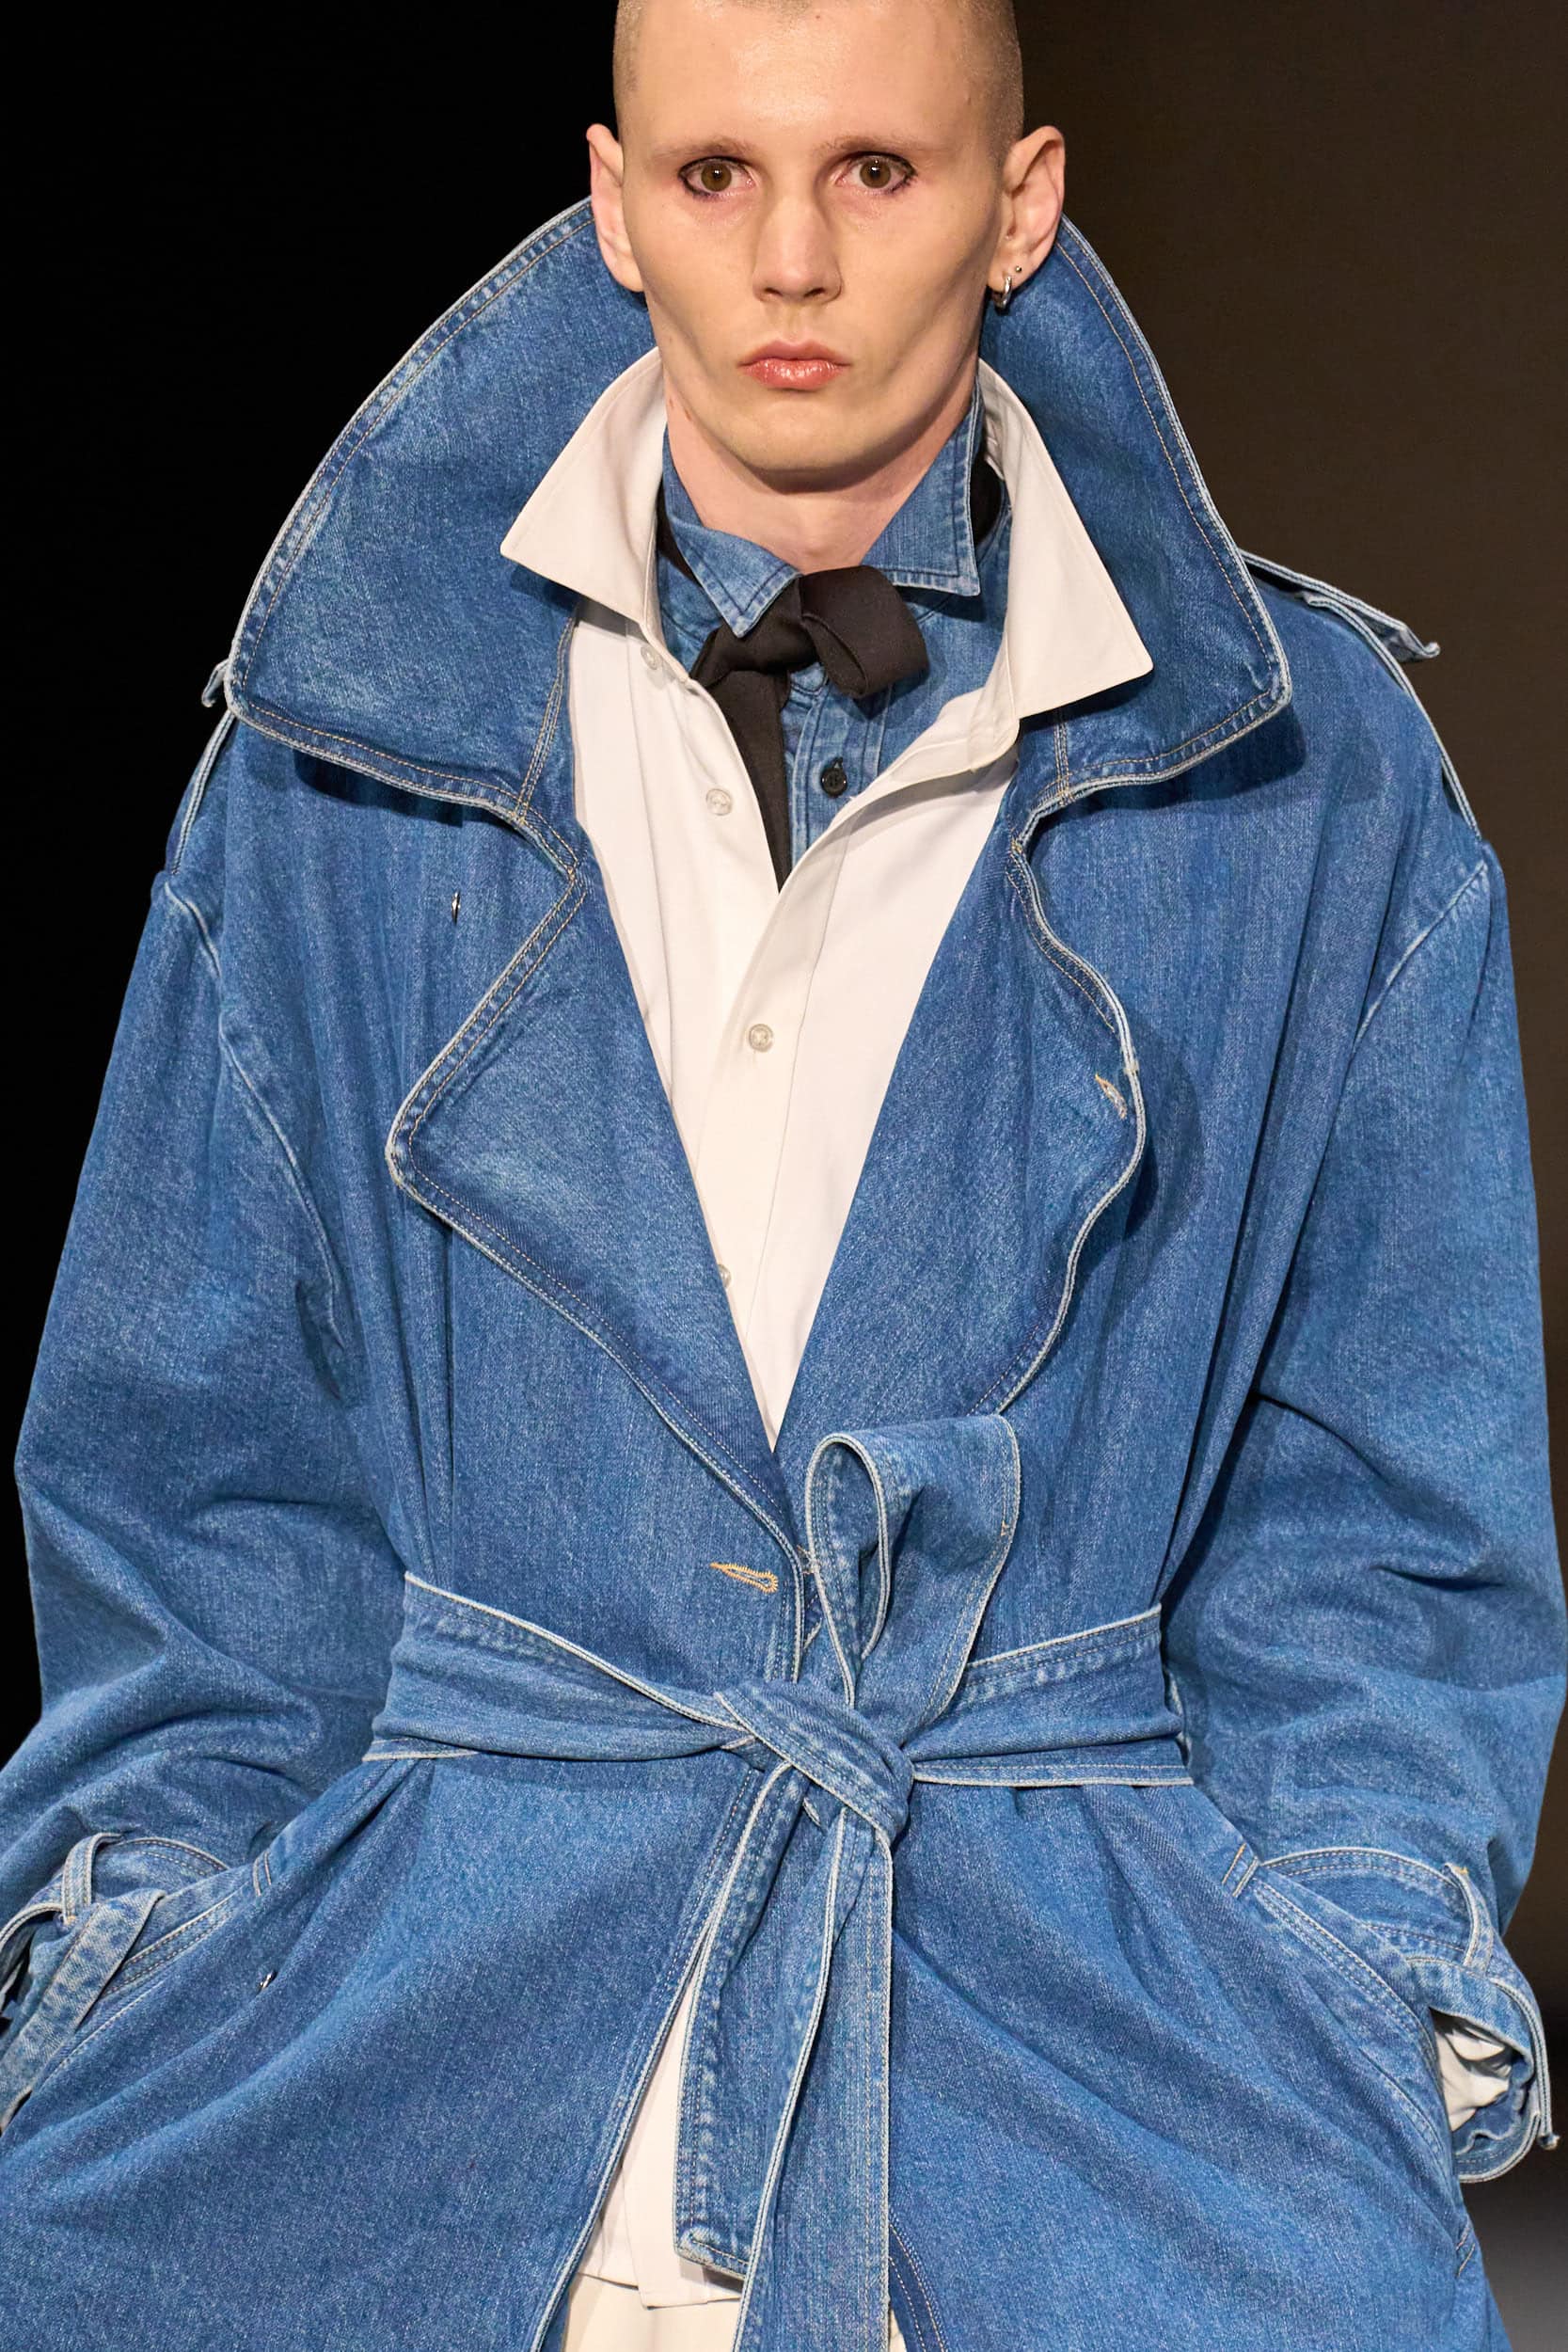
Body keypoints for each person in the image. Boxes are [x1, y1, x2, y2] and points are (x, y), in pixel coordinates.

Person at [0, 3, 1560, 2347]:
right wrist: (160, 1946)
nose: (793, 260)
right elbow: (188, 1471)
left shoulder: (1304, 781)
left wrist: (1345, 1988)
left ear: (1021, 205)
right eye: (717, 175)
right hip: (414, 2074)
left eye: (878, 174)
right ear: (613, 202)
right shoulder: (340, 757)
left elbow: (1390, 1514)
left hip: (1081, 2088)